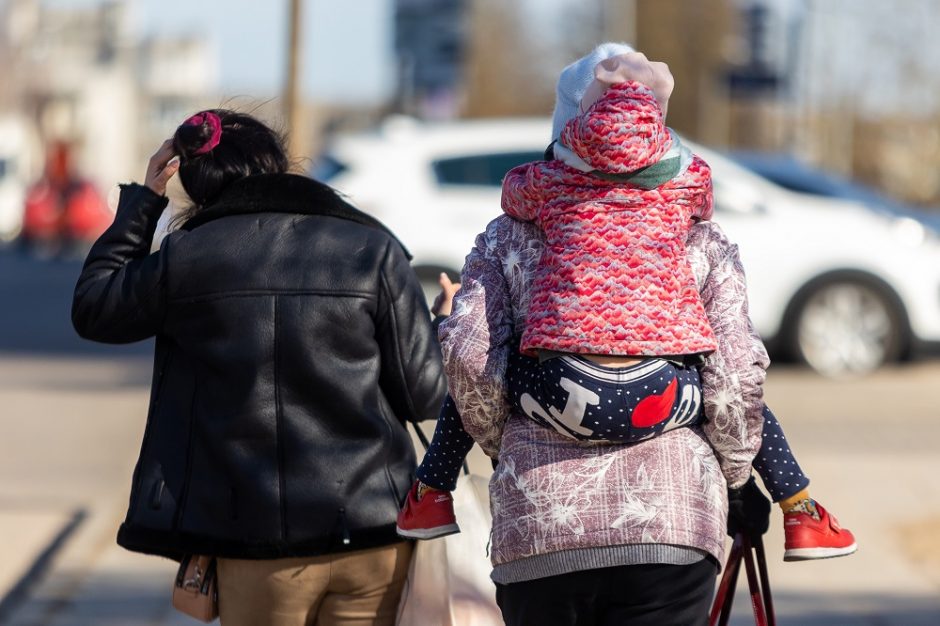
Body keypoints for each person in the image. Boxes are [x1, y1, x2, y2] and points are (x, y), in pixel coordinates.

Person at [399, 43, 856, 565]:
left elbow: (469, 355)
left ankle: (430, 495)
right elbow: (734, 378)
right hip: (663, 407)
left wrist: (504, 437)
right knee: (727, 379)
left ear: (570, 129)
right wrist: (734, 480)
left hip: (557, 400)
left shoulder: (527, 213)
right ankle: (803, 511)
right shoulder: (692, 203)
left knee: (483, 365)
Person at [71, 110, 447, 626]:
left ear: (193, 180)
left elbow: (94, 308)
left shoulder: (187, 256)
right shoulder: (371, 248)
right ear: (276, 163)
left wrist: (146, 198)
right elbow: (424, 397)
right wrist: (438, 329)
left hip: (251, 541)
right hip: (373, 534)